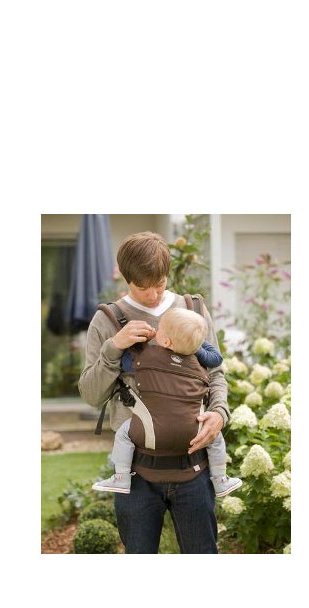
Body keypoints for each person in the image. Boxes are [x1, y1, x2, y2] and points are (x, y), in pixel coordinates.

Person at [78, 231, 230, 554]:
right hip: (136, 473)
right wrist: (114, 347)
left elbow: (215, 374)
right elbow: (91, 395)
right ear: (126, 278)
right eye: (142, 286)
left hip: (194, 466)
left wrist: (219, 413)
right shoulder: (107, 321)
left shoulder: (192, 309)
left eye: (159, 284)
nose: (152, 294)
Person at [90, 306, 243, 498]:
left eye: (160, 328)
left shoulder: (146, 358)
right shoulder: (199, 362)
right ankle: (220, 480)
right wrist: (195, 344)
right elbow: (216, 358)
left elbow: (124, 364)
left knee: (123, 434)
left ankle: (121, 477)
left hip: (152, 432)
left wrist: (129, 343)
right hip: (193, 430)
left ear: (166, 341)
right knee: (215, 437)